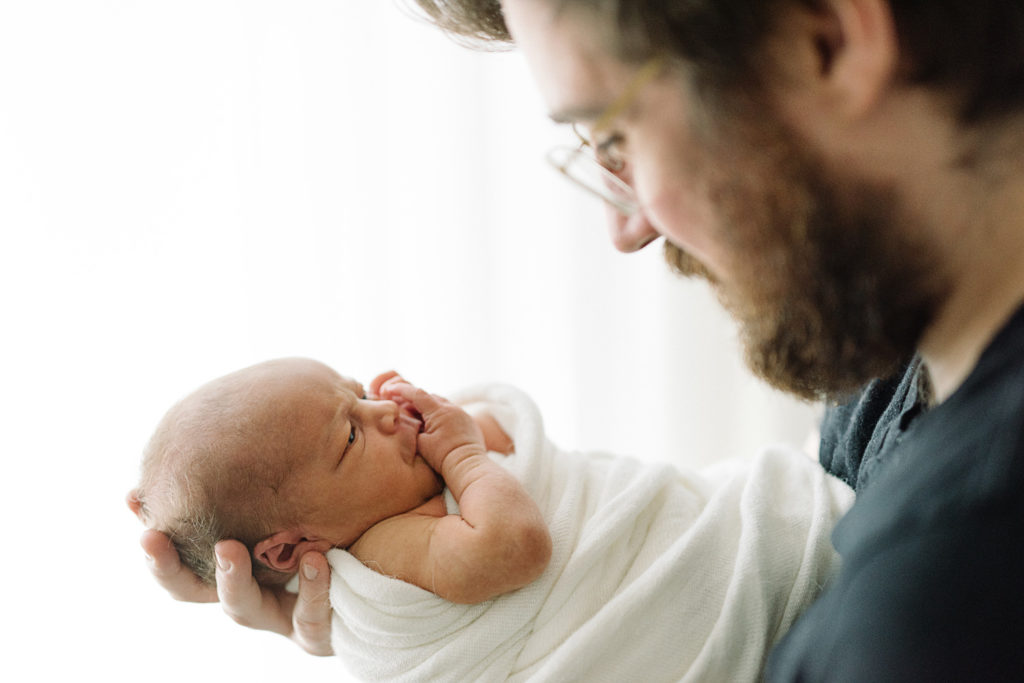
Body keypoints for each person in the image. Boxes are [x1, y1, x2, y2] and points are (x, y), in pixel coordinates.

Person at [137, 0, 1024, 677]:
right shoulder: (908, 354)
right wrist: (413, 624)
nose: (627, 229)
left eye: (616, 135)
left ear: (826, 40)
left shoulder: (937, 605)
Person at [131, 357, 852, 681]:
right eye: (350, 435)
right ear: (294, 548)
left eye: (355, 391)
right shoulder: (384, 554)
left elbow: (521, 449)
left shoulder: (396, 496)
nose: (383, 412)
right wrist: (466, 457)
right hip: (761, 580)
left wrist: (461, 435)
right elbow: (516, 546)